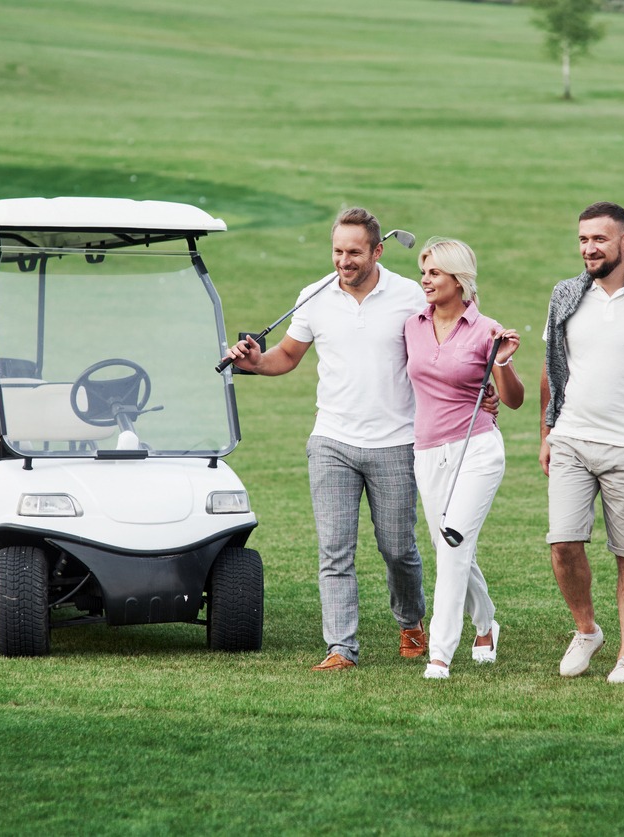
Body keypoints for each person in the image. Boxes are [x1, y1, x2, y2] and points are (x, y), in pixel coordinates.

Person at [221, 207, 430, 671]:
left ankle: (411, 620)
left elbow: (435, 355)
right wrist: (251, 360)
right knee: (335, 549)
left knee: (398, 547)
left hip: (395, 441)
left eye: (354, 252)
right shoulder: (313, 296)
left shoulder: (410, 296)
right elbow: (286, 357)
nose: (343, 261)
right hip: (332, 441)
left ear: (377, 251)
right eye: (337, 251)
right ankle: (341, 648)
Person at [540, 201, 624, 683]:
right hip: (573, 439)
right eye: (582, 239)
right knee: (563, 545)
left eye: (599, 239)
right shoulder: (565, 295)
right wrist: (547, 432)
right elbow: (551, 368)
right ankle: (586, 629)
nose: (589, 248)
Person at [404, 238, 524, 680]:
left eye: (434, 273)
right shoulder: (412, 325)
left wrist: (503, 365)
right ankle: (486, 621)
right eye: (424, 273)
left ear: (459, 279)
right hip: (428, 451)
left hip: (477, 449)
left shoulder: (487, 330)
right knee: (449, 545)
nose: (426, 281)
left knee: (453, 543)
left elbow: (512, 401)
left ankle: (440, 654)